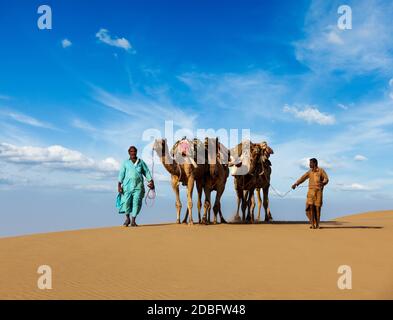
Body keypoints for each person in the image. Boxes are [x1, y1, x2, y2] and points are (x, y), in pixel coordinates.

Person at [117, 146, 155, 227]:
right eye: (131, 151)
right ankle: (127, 219)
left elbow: (146, 172)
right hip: (127, 186)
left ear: (136, 152)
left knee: (136, 203)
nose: (133, 153)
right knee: (126, 202)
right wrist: (119, 186)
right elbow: (121, 174)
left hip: (138, 186)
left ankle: (133, 220)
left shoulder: (141, 162)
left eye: (134, 151)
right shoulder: (125, 163)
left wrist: (151, 181)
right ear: (129, 152)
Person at [292, 158, 329, 229]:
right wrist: (296, 184)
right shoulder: (309, 172)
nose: (309, 164)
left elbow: (326, 179)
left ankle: (317, 225)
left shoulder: (321, 170)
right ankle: (312, 224)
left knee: (318, 209)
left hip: (318, 192)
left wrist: (323, 182)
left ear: (315, 163)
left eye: (311, 163)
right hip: (311, 192)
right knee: (310, 208)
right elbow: (303, 178)